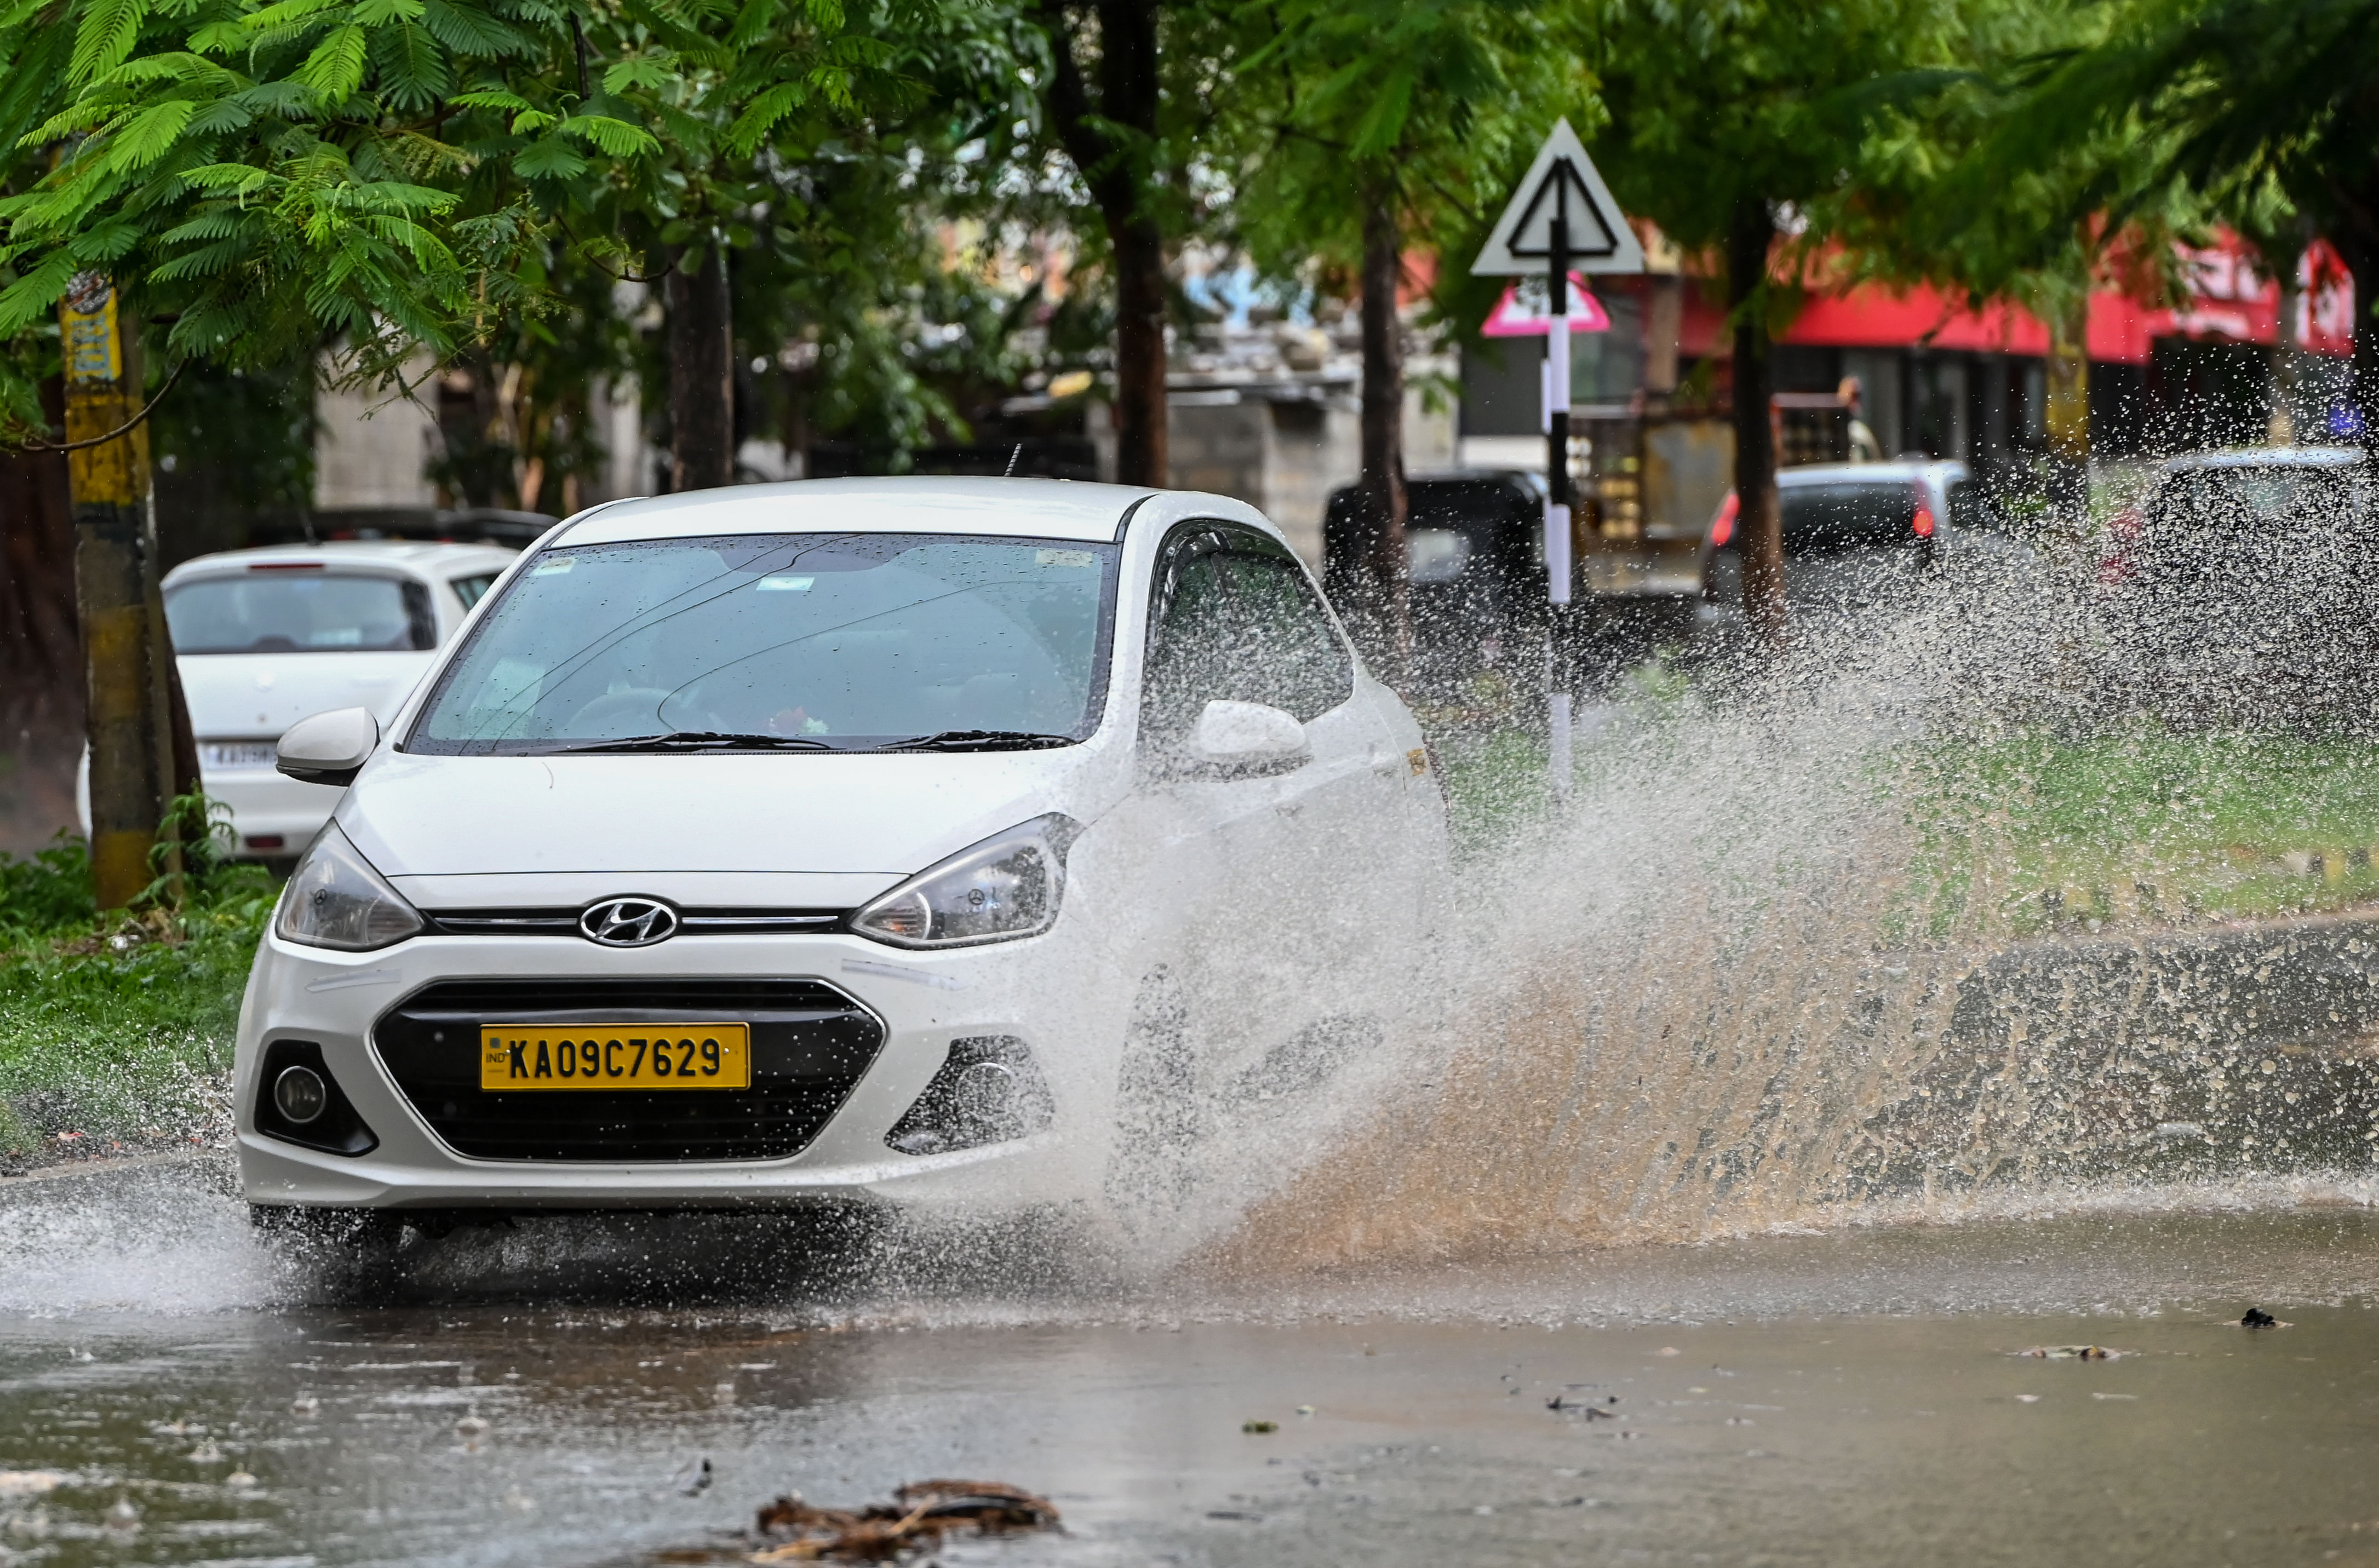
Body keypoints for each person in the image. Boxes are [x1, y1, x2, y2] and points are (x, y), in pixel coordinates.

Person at [1840, 376, 1882, 464]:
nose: (1856, 402)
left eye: (1858, 396)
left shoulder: (1859, 427)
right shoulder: (1848, 425)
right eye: (1853, 396)